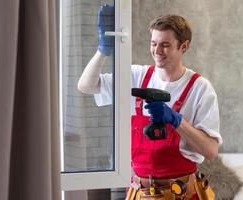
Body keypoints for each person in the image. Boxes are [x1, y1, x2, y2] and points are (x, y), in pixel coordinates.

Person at [78, 4, 222, 200]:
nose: (157, 50)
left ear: (184, 46)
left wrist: (176, 120)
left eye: (165, 45)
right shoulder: (137, 76)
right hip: (140, 192)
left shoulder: (200, 88)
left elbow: (211, 150)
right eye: (154, 43)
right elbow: (86, 86)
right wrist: (103, 50)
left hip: (182, 194)